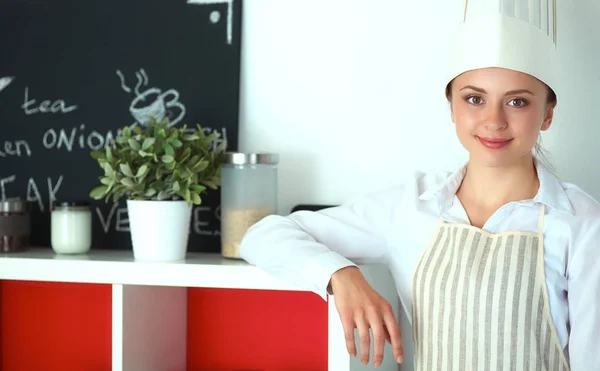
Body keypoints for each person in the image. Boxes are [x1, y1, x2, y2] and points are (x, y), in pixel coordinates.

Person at [239, 0, 600, 370]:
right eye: (474, 99)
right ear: (451, 107)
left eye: (517, 102)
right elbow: (262, 235)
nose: (494, 121)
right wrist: (340, 275)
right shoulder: (412, 206)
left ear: (547, 114)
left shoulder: (582, 223)